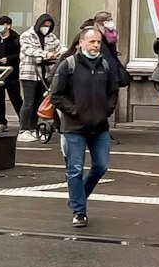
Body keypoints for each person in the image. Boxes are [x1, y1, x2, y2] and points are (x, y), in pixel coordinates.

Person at [50, 26, 124, 228]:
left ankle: (78, 196)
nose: (95, 45)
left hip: (99, 126)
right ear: (80, 42)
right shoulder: (68, 65)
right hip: (74, 127)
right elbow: (56, 95)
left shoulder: (105, 65)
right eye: (92, 41)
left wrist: (107, 111)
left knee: (101, 166)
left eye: (98, 42)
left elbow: (113, 91)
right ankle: (79, 211)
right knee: (74, 170)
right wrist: (74, 111)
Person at [16, 14, 63, 140]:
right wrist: (45, 54)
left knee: (38, 102)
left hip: (45, 73)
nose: (46, 28)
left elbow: (59, 47)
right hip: (29, 73)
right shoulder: (27, 35)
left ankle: (32, 127)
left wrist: (62, 53)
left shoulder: (51, 37)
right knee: (28, 102)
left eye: (48, 26)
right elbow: (28, 50)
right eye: (44, 25)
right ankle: (23, 129)